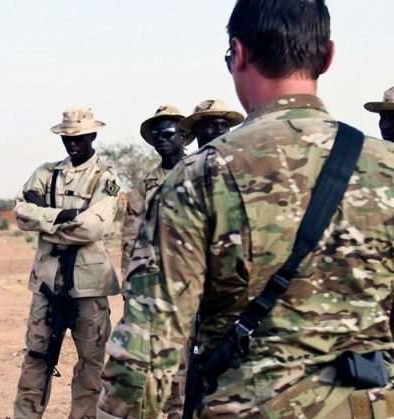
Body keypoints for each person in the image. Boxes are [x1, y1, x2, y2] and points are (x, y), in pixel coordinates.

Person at [98, 0, 394, 417]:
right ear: (328, 57)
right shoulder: (386, 168)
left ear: (237, 54)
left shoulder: (200, 176)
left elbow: (145, 355)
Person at [13, 107, 121, 419]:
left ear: (92, 136)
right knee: (36, 361)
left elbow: (93, 227)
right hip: (47, 283)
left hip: (89, 287)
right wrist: (64, 215)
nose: (71, 142)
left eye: (77, 137)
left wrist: (44, 216)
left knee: (90, 366)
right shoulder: (45, 173)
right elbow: (20, 212)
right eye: (66, 137)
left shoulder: (105, 178)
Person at [121, 105, 190, 283]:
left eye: (167, 132)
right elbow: (131, 238)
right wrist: (129, 284)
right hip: (157, 278)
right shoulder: (145, 185)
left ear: (182, 136)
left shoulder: (200, 174)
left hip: (194, 275)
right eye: (155, 134)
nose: (160, 139)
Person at [179, 99, 245, 148]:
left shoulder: (242, 160)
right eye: (210, 126)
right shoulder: (187, 164)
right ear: (195, 130)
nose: (220, 131)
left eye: (224, 125)